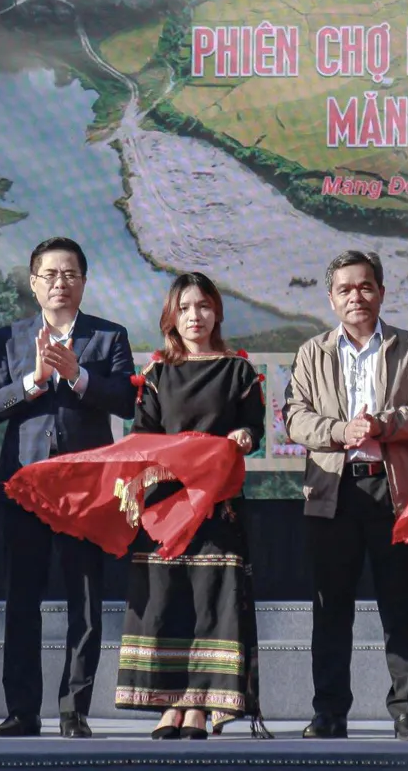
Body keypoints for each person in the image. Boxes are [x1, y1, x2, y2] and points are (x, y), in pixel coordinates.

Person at [0, 237, 136, 738]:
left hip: (84, 491)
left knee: (84, 603)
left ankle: (74, 710)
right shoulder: (11, 337)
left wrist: (79, 375)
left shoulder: (109, 336)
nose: (60, 283)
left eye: (70, 274)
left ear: (84, 282)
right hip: (24, 487)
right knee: (21, 601)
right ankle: (22, 711)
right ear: (33, 283)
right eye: (49, 274)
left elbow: (126, 401)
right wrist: (35, 380)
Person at [284, 249, 408, 741]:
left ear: (381, 292)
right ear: (331, 299)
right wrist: (340, 431)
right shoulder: (312, 352)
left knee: (401, 607)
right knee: (331, 609)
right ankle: (329, 713)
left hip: (393, 492)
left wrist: (382, 425)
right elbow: (295, 417)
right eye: (345, 289)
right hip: (332, 491)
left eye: (366, 286)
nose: (357, 296)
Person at [120, 272, 265, 739]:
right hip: (166, 506)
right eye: (184, 308)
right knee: (167, 601)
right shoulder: (157, 374)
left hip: (218, 505)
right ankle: (170, 703)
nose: (194, 316)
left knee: (212, 602)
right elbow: (143, 437)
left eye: (203, 306)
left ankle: (201, 705)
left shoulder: (239, 371)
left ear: (217, 311)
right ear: (171, 316)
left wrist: (244, 437)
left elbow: (254, 428)